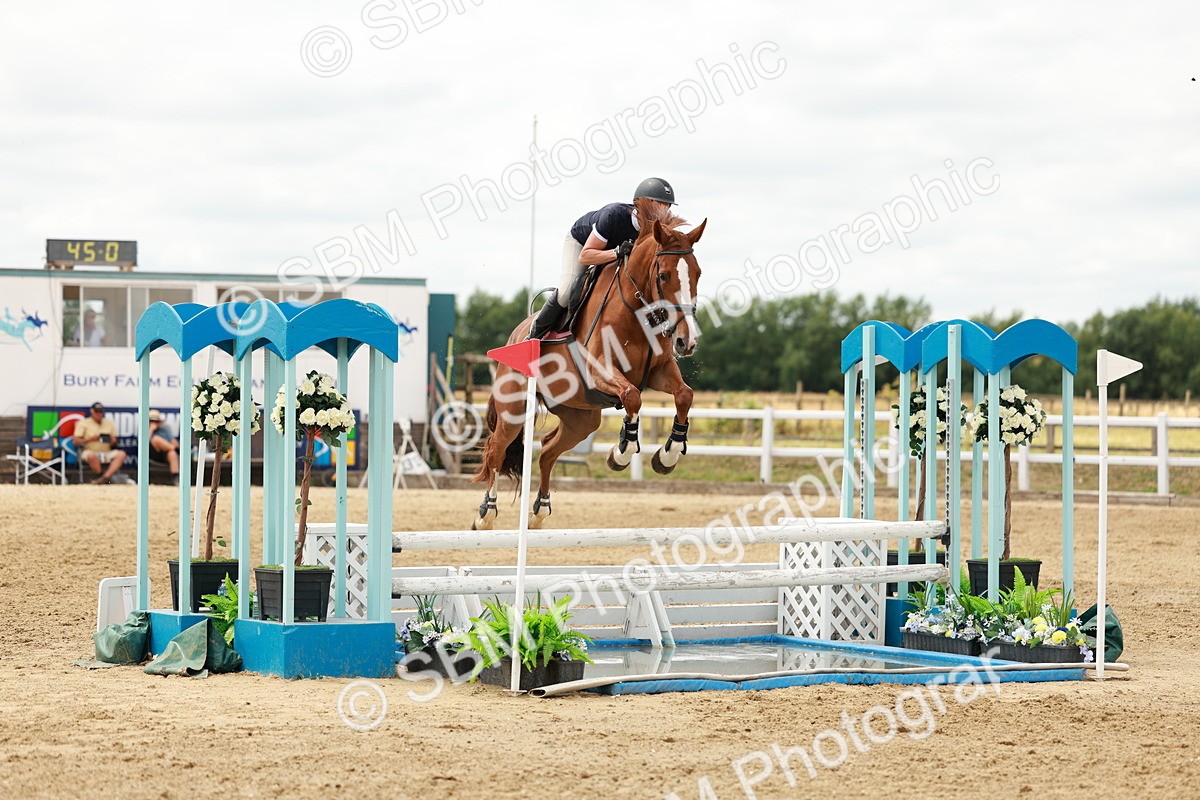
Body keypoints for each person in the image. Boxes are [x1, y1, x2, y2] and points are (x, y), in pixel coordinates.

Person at [529, 177, 678, 339]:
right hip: (582, 244)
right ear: (644, 202)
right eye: (661, 204)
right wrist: (616, 252)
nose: (665, 211)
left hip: (612, 254)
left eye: (668, 206)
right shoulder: (613, 216)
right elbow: (585, 256)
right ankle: (534, 335)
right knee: (566, 293)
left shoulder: (653, 232)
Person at [73, 402, 126, 484]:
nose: (98, 413)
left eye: (100, 411)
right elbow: (75, 441)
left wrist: (112, 441)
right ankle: (100, 476)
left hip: (106, 451)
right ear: (92, 411)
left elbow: (114, 442)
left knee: (121, 454)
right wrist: (90, 439)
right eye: (96, 411)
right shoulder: (83, 423)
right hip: (90, 451)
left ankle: (105, 477)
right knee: (91, 456)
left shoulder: (108, 423)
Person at [147, 409, 180, 483]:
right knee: (156, 439)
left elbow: (173, 441)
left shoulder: (165, 429)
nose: (154, 423)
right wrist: (151, 430)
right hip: (151, 453)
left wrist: (173, 444)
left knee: (172, 453)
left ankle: (176, 477)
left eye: (156, 421)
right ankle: (177, 450)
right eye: (152, 421)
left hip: (165, 453)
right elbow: (143, 443)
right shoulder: (143, 428)